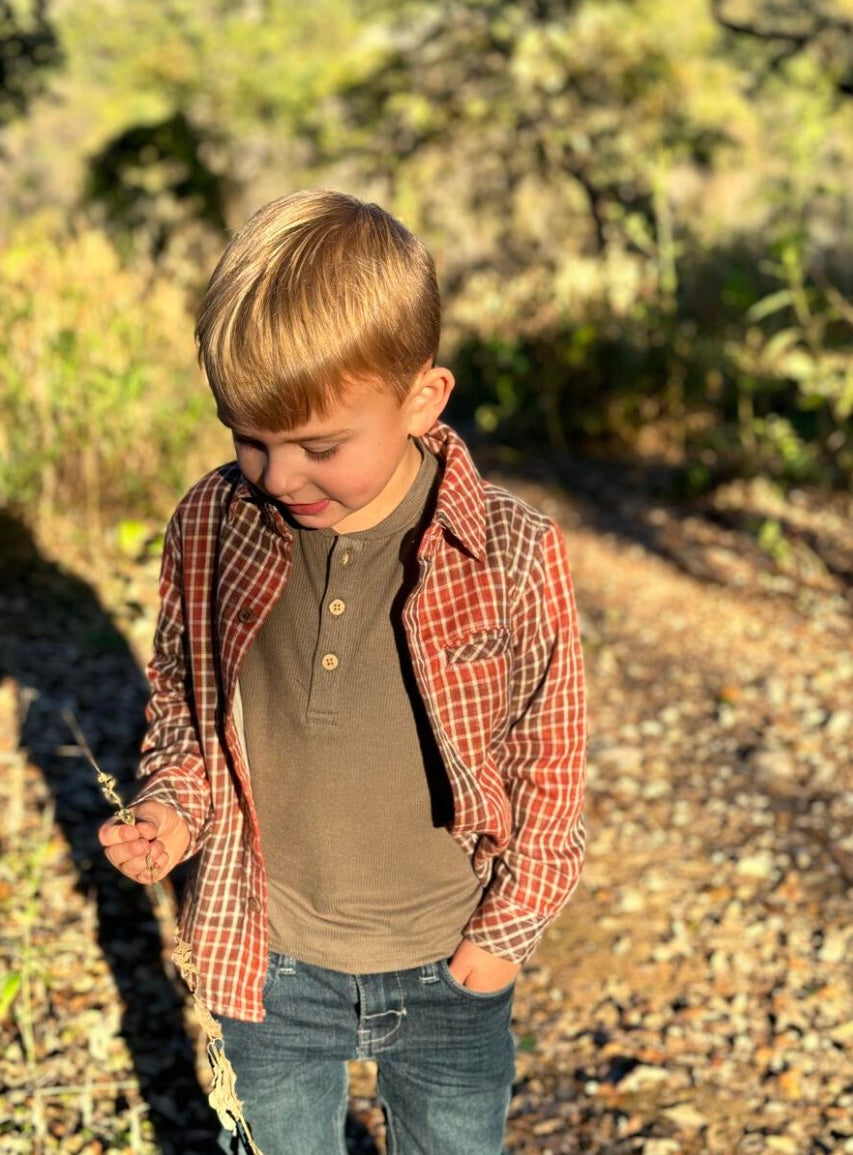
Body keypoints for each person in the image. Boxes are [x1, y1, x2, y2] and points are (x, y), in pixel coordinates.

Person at [99, 189, 587, 1155]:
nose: (279, 476)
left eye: (320, 446)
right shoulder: (214, 523)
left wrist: (498, 943)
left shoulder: (512, 552)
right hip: (268, 960)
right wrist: (170, 808)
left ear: (421, 400)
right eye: (249, 438)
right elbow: (189, 710)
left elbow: (550, 762)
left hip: (448, 960)